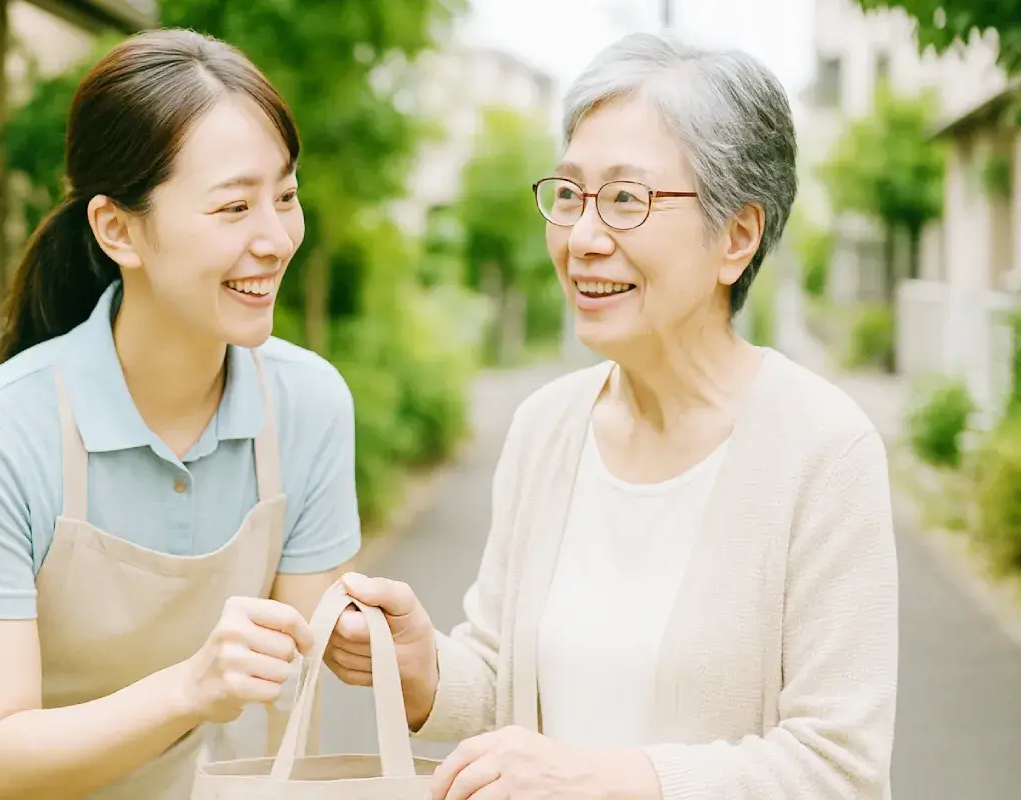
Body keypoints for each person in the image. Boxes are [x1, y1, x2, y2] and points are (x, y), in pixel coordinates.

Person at [326, 33, 898, 800]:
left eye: (627, 199)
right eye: (569, 195)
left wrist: (610, 778)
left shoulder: (824, 451)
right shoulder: (546, 426)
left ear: (737, 236)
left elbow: (840, 769)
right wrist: (423, 664)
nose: (584, 238)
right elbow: (506, 676)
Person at [0, 29, 361, 800]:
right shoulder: (0, 432)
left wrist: (380, 642)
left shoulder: (309, 405)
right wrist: (190, 688)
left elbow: (294, 687)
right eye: (235, 206)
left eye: (285, 196)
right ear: (117, 229)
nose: (276, 239)